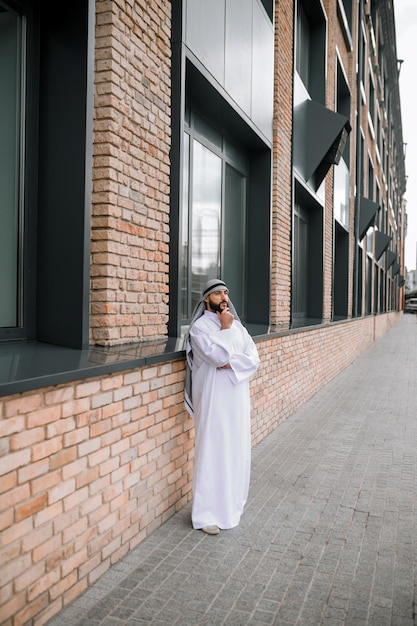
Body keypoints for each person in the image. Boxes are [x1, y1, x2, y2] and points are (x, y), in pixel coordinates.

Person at [185, 279, 260, 535]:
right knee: (212, 452)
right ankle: (205, 515)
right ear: (207, 298)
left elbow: (253, 358)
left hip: (237, 399)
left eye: (226, 292)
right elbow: (216, 356)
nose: (224, 296)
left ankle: (230, 508)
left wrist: (230, 361)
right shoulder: (200, 328)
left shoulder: (237, 327)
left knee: (235, 451)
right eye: (218, 293)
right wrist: (226, 333)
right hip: (213, 400)